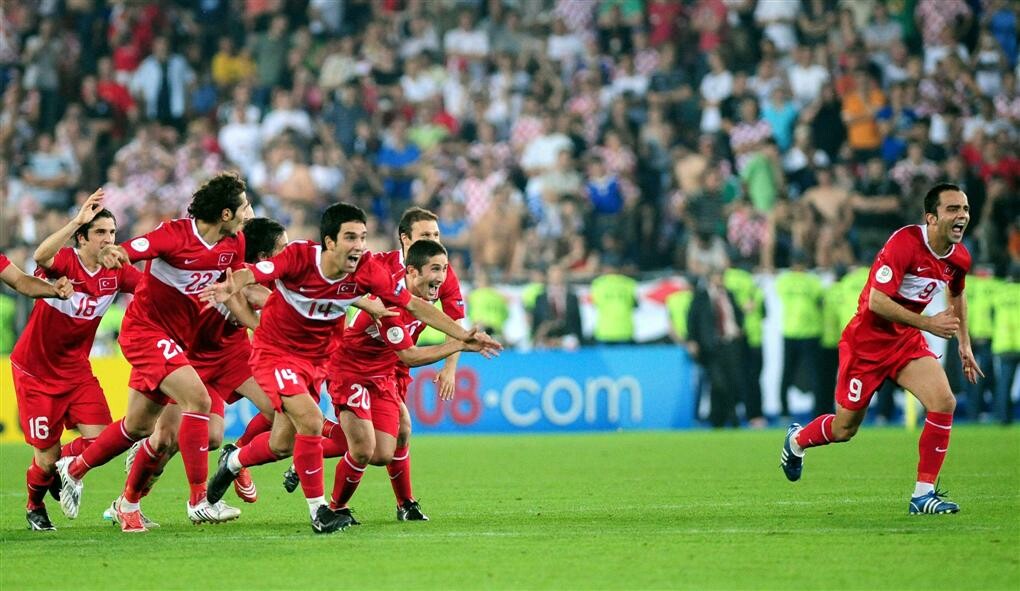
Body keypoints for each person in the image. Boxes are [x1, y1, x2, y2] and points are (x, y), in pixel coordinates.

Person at [201, 203, 500, 534]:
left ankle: (233, 460)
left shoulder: (370, 270)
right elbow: (255, 273)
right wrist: (232, 286)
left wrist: (464, 335)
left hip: (319, 360)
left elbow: (411, 304)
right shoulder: (299, 256)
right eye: (350, 237)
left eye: (363, 237)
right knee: (314, 423)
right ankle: (321, 512)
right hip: (280, 354)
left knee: (284, 442)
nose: (359, 245)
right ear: (329, 242)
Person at [55, 172, 252, 527]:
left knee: (140, 428)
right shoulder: (174, 235)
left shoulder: (234, 244)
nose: (248, 214)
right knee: (199, 402)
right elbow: (136, 248)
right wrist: (117, 252)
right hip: (145, 332)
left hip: (179, 342)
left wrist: (260, 314)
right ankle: (199, 501)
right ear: (225, 213)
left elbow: (236, 287)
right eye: (244, 207)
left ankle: (76, 468)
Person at [781, 183, 982, 514]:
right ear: (931, 218)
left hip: (904, 342)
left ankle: (923, 495)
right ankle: (797, 441)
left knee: (944, 401)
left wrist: (964, 343)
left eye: (965, 209)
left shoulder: (959, 257)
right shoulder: (905, 243)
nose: (962, 216)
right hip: (866, 344)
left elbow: (957, 293)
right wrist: (930, 323)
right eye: (952, 209)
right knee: (844, 428)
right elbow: (877, 301)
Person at [282, 206, 469, 521]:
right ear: (405, 239)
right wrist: (361, 302)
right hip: (362, 360)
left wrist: (452, 364)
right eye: (426, 235)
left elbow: (454, 320)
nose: (433, 240)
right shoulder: (380, 269)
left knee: (394, 439)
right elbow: (337, 282)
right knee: (370, 444)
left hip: (390, 361)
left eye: (436, 235)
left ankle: (403, 503)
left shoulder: (438, 271)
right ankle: (318, 453)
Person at [103, 218, 287, 532]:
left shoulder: (267, 276)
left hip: (232, 355)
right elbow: (251, 307)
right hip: (191, 355)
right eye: (281, 249)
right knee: (169, 439)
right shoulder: (228, 273)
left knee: (280, 408)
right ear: (263, 257)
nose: (286, 253)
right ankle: (128, 500)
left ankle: (236, 457)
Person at [326, 240, 490, 523]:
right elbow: (410, 356)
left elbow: (433, 314)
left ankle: (405, 505)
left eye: (444, 269)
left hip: (381, 373)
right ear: (412, 271)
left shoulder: (420, 300)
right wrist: (459, 345)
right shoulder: (386, 302)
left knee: (389, 446)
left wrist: (463, 336)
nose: (441, 277)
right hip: (349, 371)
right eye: (434, 269)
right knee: (364, 450)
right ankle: (334, 506)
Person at [12, 190, 138, 531]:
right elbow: (41, 255)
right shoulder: (66, 261)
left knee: (103, 441)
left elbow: (151, 292)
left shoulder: (118, 272)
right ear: (82, 238)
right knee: (44, 458)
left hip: (77, 371)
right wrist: (77, 220)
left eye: (112, 233)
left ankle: (63, 465)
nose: (108, 239)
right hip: (35, 372)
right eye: (100, 232)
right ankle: (34, 506)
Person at [687, 264, 746, 428]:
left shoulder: (729, 295)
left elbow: (736, 314)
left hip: (731, 343)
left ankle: (717, 419)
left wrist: (740, 328)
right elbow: (692, 319)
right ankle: (731, 416)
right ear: (710, 278)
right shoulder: (701, 297)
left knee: (732, 381)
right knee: (718, 382)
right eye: (718, 276)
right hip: (712, 346)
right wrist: (693, 340)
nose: (721, 280)